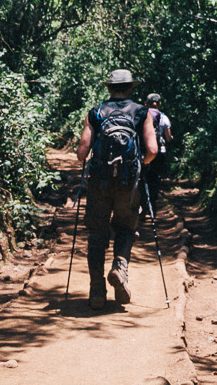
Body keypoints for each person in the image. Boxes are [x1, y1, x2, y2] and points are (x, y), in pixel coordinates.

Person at [74, 69, 158, 309]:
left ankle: (97, 291)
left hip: (99, 183)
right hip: (128, 184)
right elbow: (152, 150)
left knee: (97, 234)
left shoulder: (96, 113)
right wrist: (136, 166)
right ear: (131, 88)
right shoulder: (142, 113)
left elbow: (81, 154)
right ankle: (119, 268)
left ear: (109, 88)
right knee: (125, 228)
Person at [143, 92, 173, 208]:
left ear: (146, 104)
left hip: (144, 152)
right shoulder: (164, 118)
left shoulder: (142, 115)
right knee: (155, 178)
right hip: (159, 152)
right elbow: (168, 138)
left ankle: (142, 204)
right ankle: (153, 203)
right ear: (159, 104)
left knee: (142, 177)